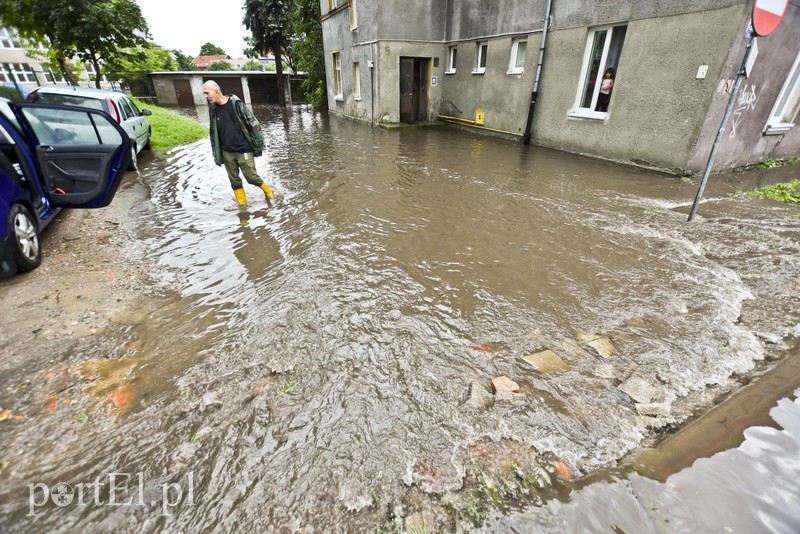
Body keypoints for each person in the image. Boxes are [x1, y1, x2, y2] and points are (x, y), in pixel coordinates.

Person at [203, 80, 274, 206]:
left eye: (207, 93)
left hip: (244, 149)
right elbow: (213, 132)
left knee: (251, 177)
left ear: (216, 91)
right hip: (227, 152)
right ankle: (242, 207)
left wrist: (258, 145)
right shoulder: (213, 109)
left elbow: (253, 123)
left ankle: (269, 192)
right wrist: (215, 153)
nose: (206, 96)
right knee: (234, 181)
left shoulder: (236, 103)